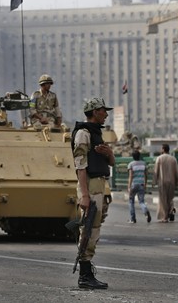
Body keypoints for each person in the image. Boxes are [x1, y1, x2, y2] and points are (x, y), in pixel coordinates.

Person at [71, 97, 115, 289]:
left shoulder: (97, 133)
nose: (106, 114)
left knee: (94, 229)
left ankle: (87, 273)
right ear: (94, 112)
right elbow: (80, 166)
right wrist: (85, 195)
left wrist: (108, 153)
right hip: (89, 185)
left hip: (98, 184)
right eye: (103, 110)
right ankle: (85, 275)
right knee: (88, 229)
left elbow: (111, 162)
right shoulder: (83, 133)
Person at [153, 144, 178, 223]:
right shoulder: (173, 159)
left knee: (163, 200)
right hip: (171, 182)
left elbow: (156, 171)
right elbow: (177, 171)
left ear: (162, 149)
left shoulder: (159, 158)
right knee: (169, 199)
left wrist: (154, 181)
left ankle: (165, 217)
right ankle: (170, 212)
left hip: (162, 182)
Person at [127, 150, 151, 223]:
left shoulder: (131, 164)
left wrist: (129, 186)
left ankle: (133, 219)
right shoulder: (144, 164)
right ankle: (145, 211)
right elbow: (146, 175)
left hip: (134, 184)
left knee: (131, 201)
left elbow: (131, 176)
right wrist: (145, 184)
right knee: (141, 201)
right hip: (141, 184)